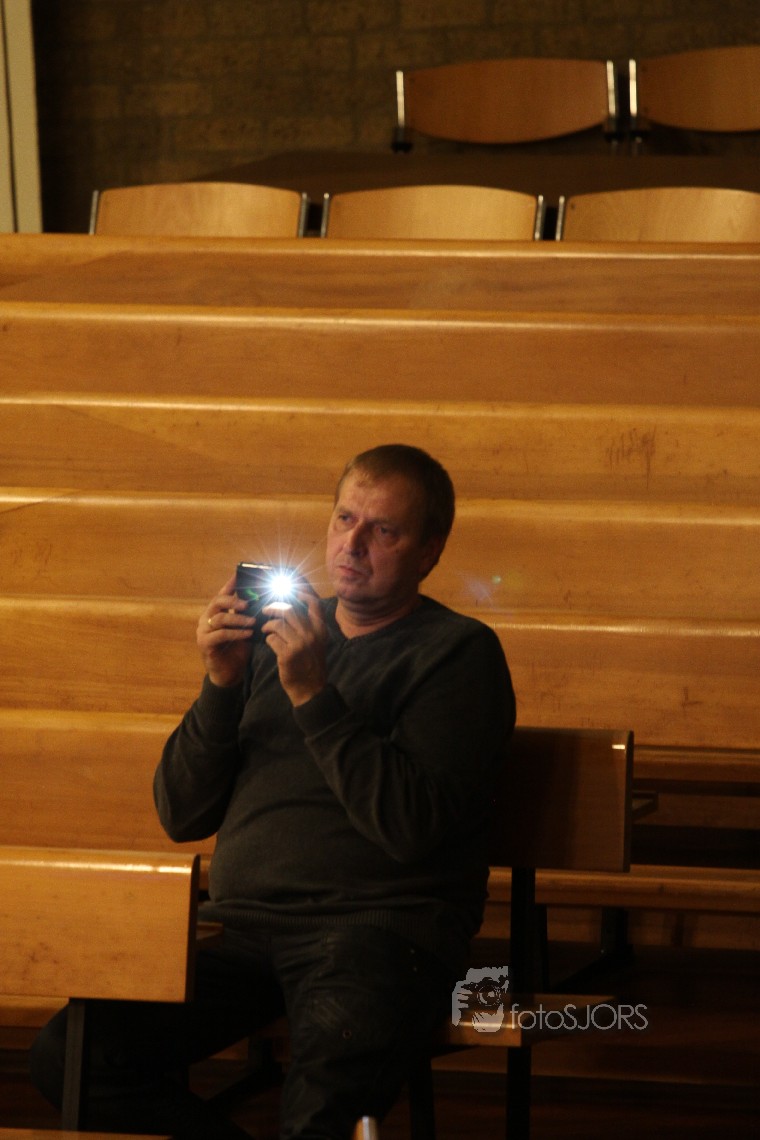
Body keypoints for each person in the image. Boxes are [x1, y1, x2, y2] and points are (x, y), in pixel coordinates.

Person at [31, 443, 516, 1139]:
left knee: (320, 1112)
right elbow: (181, 812)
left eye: (383, 530)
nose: (352, 544)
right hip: (243, 930)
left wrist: (315, 695)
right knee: (72, 1057)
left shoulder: (457, 653)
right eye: (344, 518)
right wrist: (221, 684)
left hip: (378, 932)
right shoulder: (271, 641)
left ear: (429, 551)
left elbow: (411, 827)